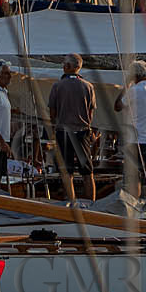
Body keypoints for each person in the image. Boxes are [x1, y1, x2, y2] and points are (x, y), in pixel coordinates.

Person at [114, 60, 146, 206]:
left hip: (135, 142)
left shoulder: (134, 91)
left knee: (133, 179)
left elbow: (117, 106)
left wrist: (126, 86)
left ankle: (134, 208)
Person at [49, 53, 97, 202]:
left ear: (69, 67)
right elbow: (91, 112)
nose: (63, 66)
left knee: (66, 172)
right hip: (82, 133)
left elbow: (52, 113)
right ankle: (93, 204)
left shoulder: (57, 86)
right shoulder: (88, 86)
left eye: (64, 63)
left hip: (63, 133)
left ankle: (71, 203)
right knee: (87, 172)